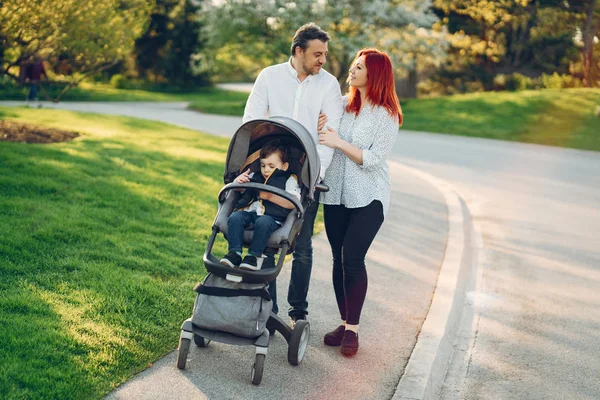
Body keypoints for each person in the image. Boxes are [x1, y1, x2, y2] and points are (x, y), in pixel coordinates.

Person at [243, 22, 343, 323]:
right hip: (272, 167)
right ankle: (268, 309)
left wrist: (314, 176)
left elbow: (328, 135)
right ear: (298, 51)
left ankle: (298, 311)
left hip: (309, 171)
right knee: (270, 232)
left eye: (324, 54)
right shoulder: (270, 76)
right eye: (316, 54)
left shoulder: (328, 84)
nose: (322, 60)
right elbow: (252, 121)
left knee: (302, 244)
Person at [317, 48, 403, 356]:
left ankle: (352, 329)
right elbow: (321, 127)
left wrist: (339, 142)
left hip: (369, 197)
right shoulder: (342, 105)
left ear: (375, 74)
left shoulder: (387, 115)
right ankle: (343, 322)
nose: (352, 70)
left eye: (359, 67)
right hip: (335, 194)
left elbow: (372, 159)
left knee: (353, 258)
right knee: (338, 260)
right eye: (354, 65)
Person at [220, 140, 301, 271]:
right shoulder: (255, 175)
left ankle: (253, 256)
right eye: (263, 165)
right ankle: (234, 253)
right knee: (236, 217)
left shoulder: (289, 180)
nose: (266, 170)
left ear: (284, 166)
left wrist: (270, 196)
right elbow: (242, 191)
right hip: (252, 213)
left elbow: (293, 203)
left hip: (272, 218)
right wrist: (238, 182)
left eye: (271, 166)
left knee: (263, 222)